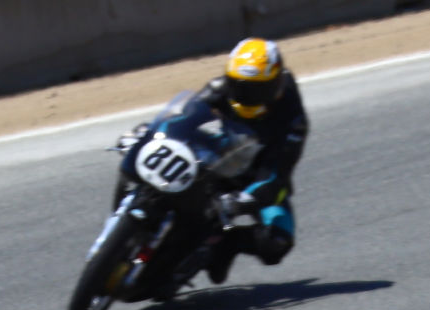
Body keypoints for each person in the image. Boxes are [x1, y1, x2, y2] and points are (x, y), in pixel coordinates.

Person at [119, 38, 309, 285]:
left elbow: (276, 175)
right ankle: (125, 218)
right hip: (216, 161)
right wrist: (146, 135)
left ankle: (228, 243)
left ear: (275, 86)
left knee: (278, 241)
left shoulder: (293, 121)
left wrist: (244, 199)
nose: (246, 96)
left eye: (257, 90)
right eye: (239, 86)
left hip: (254, 178)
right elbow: (181, 116)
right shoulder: (222, 89)